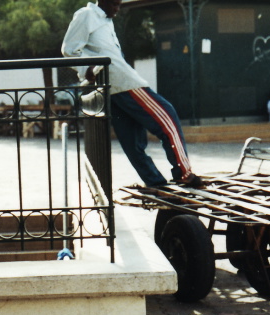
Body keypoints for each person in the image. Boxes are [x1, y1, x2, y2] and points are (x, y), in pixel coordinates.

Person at [61, 0, 202, 188]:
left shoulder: (105, 20)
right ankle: (183, 174)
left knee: (133, 142)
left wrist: (88, 66)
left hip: (114, 86)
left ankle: (155, 183)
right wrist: (87, 67)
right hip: (124, 83)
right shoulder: (86, 15)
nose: (117, 9)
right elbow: (69, 50)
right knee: (168, 118)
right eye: (115, 4)